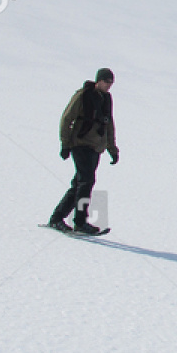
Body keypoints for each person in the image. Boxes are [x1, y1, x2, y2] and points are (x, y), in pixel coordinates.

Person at [48, 68, 120, 235]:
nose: (110, 85)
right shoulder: (83, 95)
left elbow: (109, 124)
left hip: (96, 147)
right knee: (86, 181)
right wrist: (65, 144)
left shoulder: (107, 98)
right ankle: (80, 222)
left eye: (112, 82)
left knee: (81, 183)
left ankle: (57, 218)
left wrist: (112, 149)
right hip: (80, 144)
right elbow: (66, 118)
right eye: (107, 81)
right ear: (99, 81)